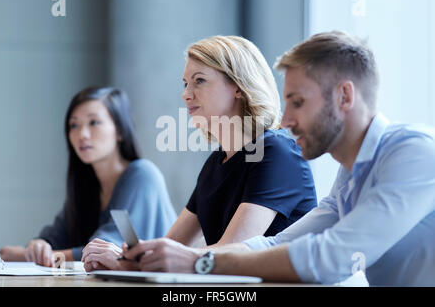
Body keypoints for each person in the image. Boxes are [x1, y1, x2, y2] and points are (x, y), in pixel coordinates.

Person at [120, 31, 435, 286]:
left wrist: (200, 261)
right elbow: (276, 244)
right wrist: (158, 260)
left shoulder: (415, 152)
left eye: (298, 102)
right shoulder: (350, 174)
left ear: (344, 96)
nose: (286, 121)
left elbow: (332, 256)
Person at [81, 36, 317, 271]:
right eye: (185, 83)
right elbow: (172, 246)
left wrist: (135, 261)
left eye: (199, 81)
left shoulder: (277, 153)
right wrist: (128, 260)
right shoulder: (216, 163)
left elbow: (231, 251)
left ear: (238, 86)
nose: (186, 94)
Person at [0, 87, 177, 267]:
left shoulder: (142, 174)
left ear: (120, 131)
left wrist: (38, 255)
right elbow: (16, 251)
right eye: (74, 125)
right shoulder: (87, 188)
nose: (82, 135)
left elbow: (104, 250)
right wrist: (37, 247)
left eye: (94, 122)